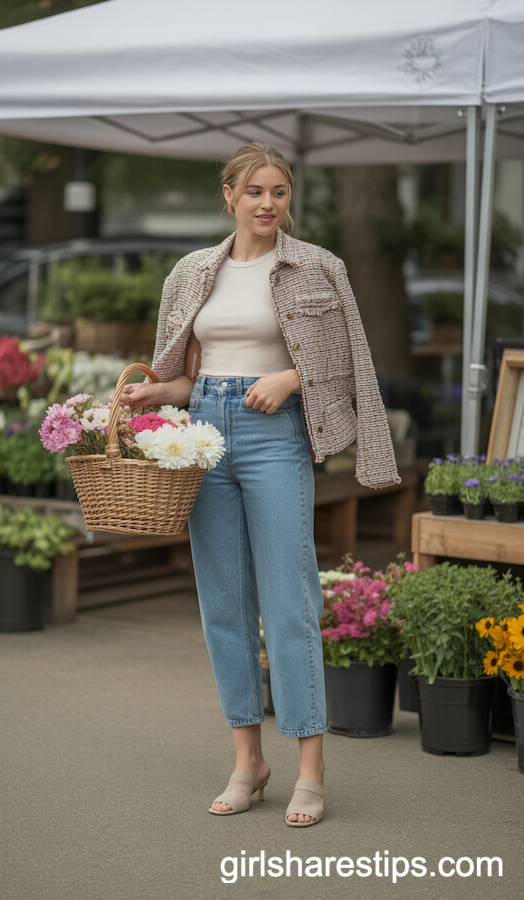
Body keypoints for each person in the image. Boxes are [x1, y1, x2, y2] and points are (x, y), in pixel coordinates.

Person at [120, 142, 399, 827]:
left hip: (276, 437)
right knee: (223, 603)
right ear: (229, 196)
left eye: (279, 191)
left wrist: (290, 378)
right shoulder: (191, 273)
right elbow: (185, 374)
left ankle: (310, 768)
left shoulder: (317, 267)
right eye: (255, 192)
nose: (268, 203)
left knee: (291, 599)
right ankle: (249, 761)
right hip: (204, 432)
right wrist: (155, 392)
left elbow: (351, 359)